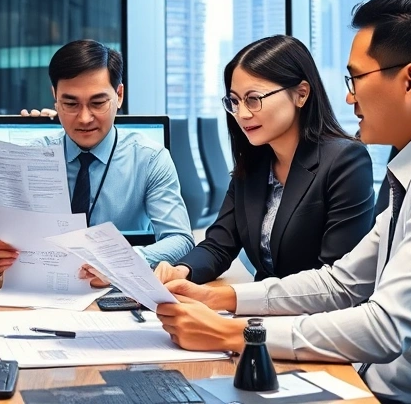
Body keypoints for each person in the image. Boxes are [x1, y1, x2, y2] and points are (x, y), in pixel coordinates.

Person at [156, 0, 411, 404]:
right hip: (374, 385)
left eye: (356, 77)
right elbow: (342, 283)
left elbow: (384, 327)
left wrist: (231, 331)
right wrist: (219, 297)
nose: (348, 95)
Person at [154, 35, 374, 285]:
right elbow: (219, 244)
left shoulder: (345, 161)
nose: (242, 114)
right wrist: (182, 270)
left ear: (301, 94)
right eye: (234, 101)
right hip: (263, 315)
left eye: (253, 99)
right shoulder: (254, 167)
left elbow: (335, 279)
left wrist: (230, 299)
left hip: (317, 318)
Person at [0, 40, 194, 280]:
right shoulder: (30, 157)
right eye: (71, 104)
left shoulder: (149, 158)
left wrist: (122, 263)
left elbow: (180, 239)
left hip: (118, 290)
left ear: (119, 95)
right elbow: (15, 241)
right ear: (55, 97)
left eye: (97, 103)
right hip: (47, 288)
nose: (84, 118)